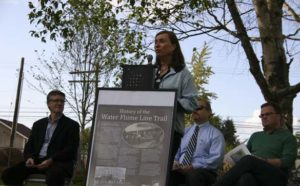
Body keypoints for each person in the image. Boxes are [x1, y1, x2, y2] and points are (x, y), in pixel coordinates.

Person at [1, 90, 80, 186]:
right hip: (37, 161)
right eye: (56, 101)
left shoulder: (72, 125)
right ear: (48, 104)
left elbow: (71, 149)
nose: (59, 103)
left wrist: (51, 160)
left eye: (62, 101)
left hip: (58, 163)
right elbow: (30, 145)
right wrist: (30, 158)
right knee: (8, 174)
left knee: (54, 177)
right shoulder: (38, 124)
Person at [214, 102, 297, 186]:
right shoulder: (255, 136)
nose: (264, 117)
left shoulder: (288, 137)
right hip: (254, 173)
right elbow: (245, 154)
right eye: (262, 115)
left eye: (267, 114)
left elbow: (288, 161)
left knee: (249, 160)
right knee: (246, 177)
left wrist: (263, 161)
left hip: (276, 176)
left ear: (278, 116)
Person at [154, 30, 198, 163]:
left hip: (170, 132)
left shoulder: (183, 74)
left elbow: (192, 103)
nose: (157, 45)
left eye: (162, 41)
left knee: (161, 172)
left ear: (173, 46)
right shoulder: (150, 72)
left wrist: (169, 102)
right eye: (155, 42)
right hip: (146, 127)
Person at [169, 99, 225, 186]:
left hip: (204, 172)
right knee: (165, 174)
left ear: (209, 112)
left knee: (193, 174)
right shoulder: (184, 131)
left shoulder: (216, 134)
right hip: (180, 170)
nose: (194, 110)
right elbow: (176, 152)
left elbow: (215, 160)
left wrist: (193, 166)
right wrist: (175, 164)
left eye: (198, 108)